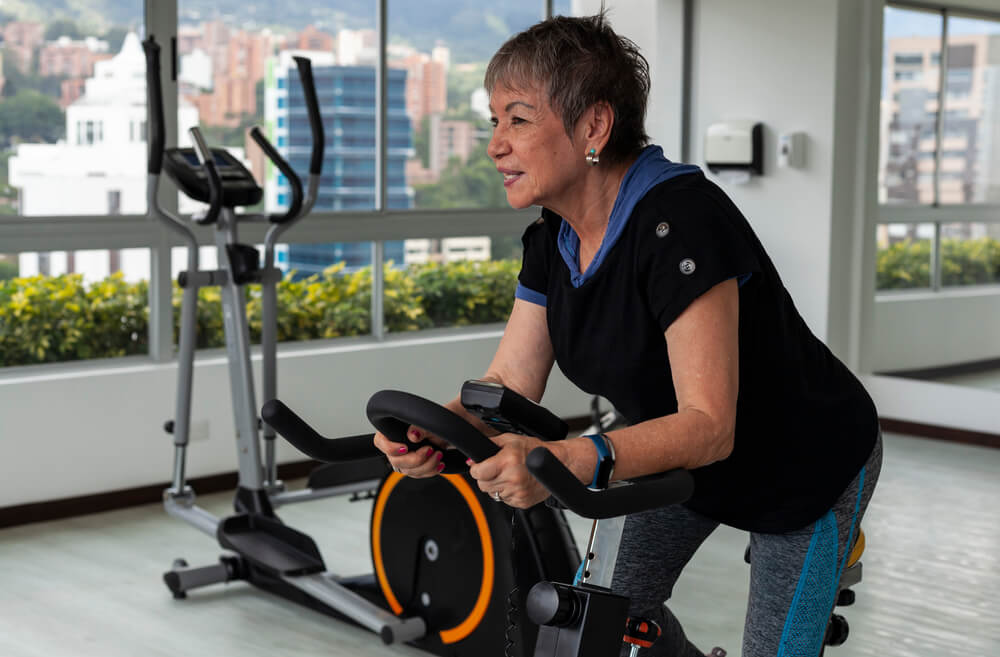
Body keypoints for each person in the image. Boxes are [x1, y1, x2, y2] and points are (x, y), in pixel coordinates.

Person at [373, 13, 881, 657]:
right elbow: (505, 389)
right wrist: (434, 430)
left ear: (593, 126)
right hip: (673, 460)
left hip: (806, 466)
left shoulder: (681, 223)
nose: (495, 143)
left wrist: (574, 460)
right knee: (593, 618)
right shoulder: (551, 241)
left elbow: (709, 424)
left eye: (518, 119)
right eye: (494, 120)